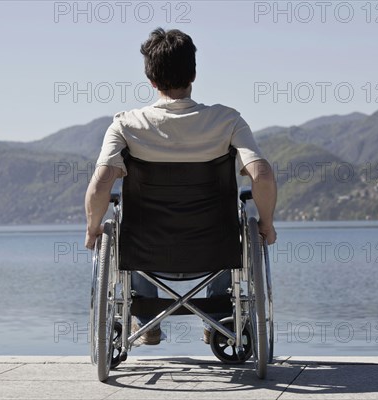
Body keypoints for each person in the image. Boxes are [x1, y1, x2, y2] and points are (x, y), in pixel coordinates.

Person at [84, 28, 277, 346]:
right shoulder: (227, 121)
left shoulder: (126, 125)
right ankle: (219, 319)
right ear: (194, 74)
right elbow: (263, 176)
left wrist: (93, 229)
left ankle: (145, 320)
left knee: (124, 220)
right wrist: (266, 225)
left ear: (151, 80)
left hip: (146, 254)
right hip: (215, 250)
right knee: (238, 221)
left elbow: (101, 183)